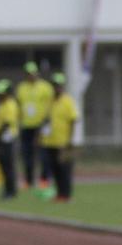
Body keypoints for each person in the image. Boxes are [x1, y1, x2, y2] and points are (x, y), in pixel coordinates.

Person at [16, 61, 54, 189]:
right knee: (27, 155)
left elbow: (51, 106)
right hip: (26, 125)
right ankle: (28, 180)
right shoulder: (21, 88)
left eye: (33, 73)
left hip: (41, 125)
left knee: (44, 154)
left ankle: (44, 179)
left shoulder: (45, 87)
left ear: (37, 73)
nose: (31, 76)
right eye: (28, 74)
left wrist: (47, 123)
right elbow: (19, 106)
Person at [43, 72, 80, 202]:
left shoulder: (68, 101)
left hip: (64, 143)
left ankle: (66, 195)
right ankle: (59, 194)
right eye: (54, 86)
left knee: (65, 170)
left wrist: (71, 139)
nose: (56, 88)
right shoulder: (50, 101)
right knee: (55, 169)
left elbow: (73, 120)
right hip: (50, 142)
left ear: (62, 86)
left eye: (58, 86)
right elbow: (46, 119)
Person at [0, 79, 19, 199]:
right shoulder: (1, 105)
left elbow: (7, 123)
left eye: (1, 93)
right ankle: (7, 190)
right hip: (0, 139)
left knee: (8, 166)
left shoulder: (10, 105)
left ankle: (11, 191)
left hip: (7, 139)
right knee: (4, 166)